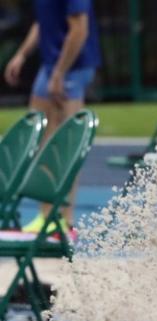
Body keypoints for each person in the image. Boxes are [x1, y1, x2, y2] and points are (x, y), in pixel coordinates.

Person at [3, 0, 100, 238]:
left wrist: (60, 72)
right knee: (40, 135)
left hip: (72, 66)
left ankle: (65, 222)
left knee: (65, 143)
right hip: (50, 64)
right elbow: (43, 22)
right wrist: (22, 54)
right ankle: (46, 216)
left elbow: (80, 29)